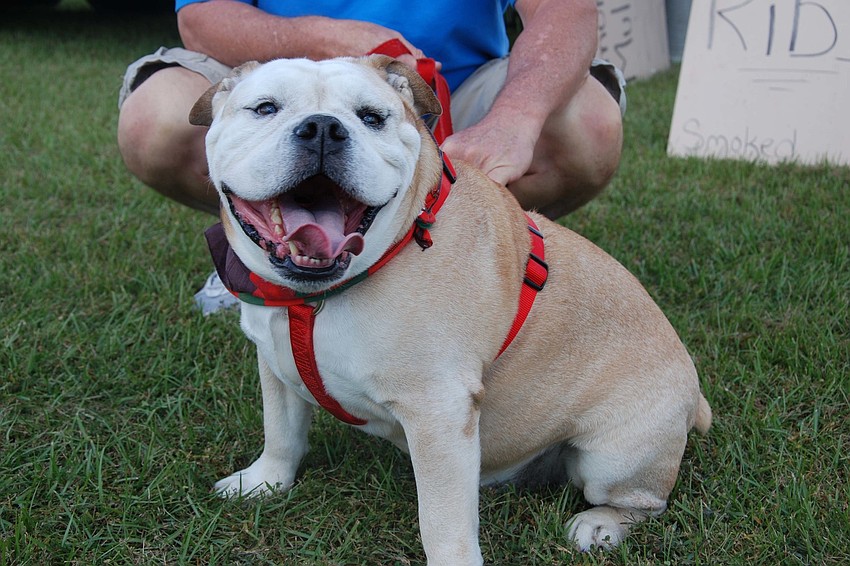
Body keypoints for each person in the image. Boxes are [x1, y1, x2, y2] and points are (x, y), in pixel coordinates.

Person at [117, 0, 626, 314]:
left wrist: (515, 117)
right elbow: (203, 16)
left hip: (456, 83)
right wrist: (323, 37)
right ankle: (256, 254)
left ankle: (469, 258)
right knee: (155, 118)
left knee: (588, 126)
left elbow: (566, 7)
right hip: (279, 80)